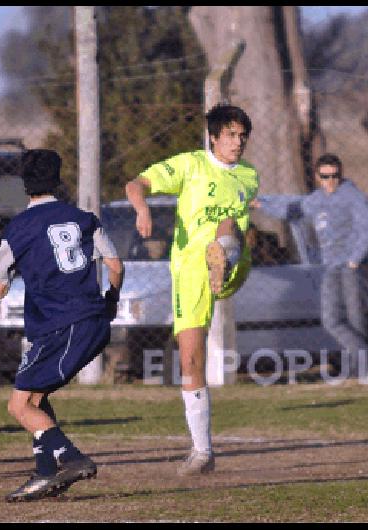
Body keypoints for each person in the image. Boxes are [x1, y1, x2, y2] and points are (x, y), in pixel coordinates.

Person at [0, 149, 125, 502]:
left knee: (18, 407)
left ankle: (73, 459)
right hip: (93, 321)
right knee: (36, 398)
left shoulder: (20, 227)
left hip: (60, 326)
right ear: (58, 182)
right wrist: (110, 300)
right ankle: (45, 474)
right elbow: (115, 266)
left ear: (25, 185)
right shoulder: (84, 218)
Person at [125, 104, 258, 475]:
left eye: (242, 136)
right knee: (190, 359)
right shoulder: (191, 165)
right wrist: (142, 209)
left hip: (235, 260)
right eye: (231, 135)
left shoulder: (248, 176)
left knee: (228, 225)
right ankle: (203, 452)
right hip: (190, 271)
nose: (238, 142)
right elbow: (136, 184)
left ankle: (223, 256)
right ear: (213, 137)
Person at [252, 152, 368, 379]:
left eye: (335, 176)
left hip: (354, 267)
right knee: (331, 319)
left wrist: (354, 260)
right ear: (317, 177)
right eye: (325, 176)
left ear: (341, 175)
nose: (330, 181)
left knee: (355, 319)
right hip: (332, 267)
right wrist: (261, 203)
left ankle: (361, 369)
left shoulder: (354, 197)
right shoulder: (318, 198)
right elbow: (293, 207)